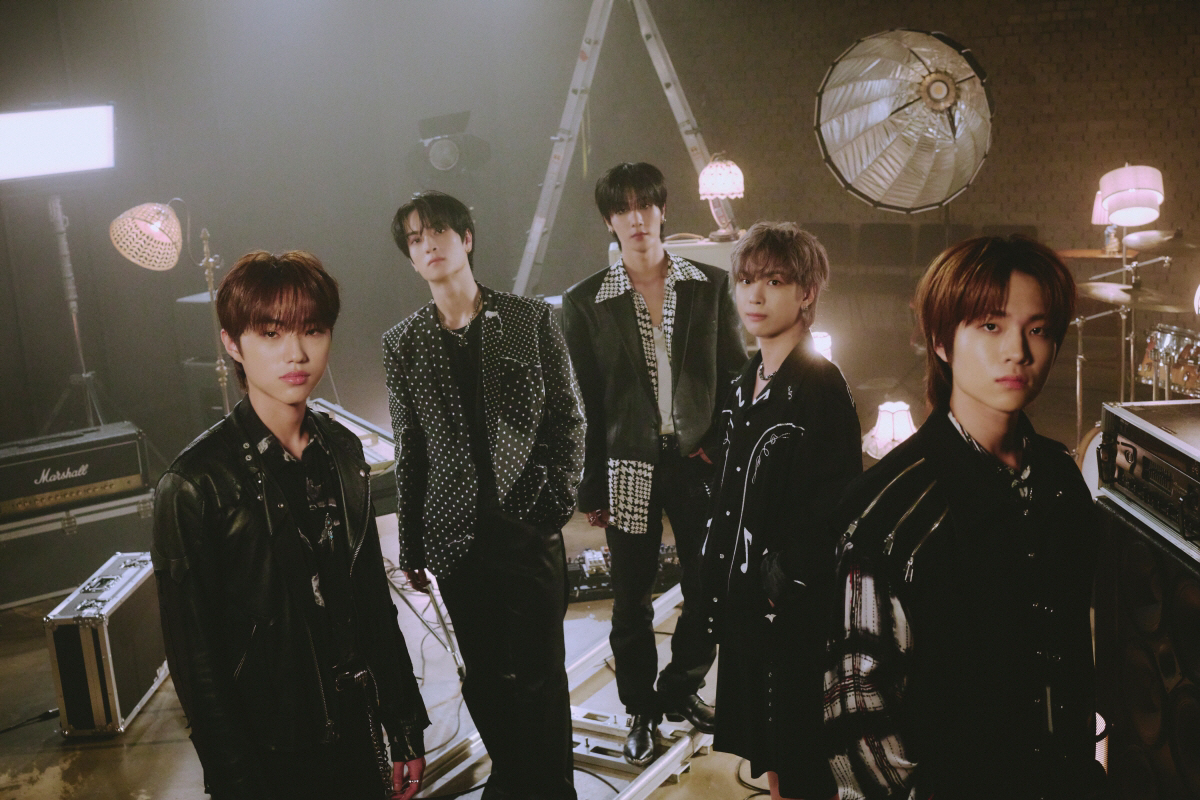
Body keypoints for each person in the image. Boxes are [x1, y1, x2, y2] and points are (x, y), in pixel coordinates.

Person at [824, 236, 1101, 799]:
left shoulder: (1060, 479)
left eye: (1038, 329)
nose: (1017, 351)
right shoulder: (885, 511)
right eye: (991, 326)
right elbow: (859, 719)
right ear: (941, 342)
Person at [153, 250, 428, 800]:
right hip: (270, 751)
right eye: (271, 334)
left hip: (355, 729)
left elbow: (372, 600)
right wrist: (235, 779)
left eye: (313, 330)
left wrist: (402, 722)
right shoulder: (194, 483)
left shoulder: (343, 450)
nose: (296, 353)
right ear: (233, 344)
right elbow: (196, 662)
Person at [382, 190, 586, 800]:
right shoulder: (403, 343)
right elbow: (410, 449)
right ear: (410, 258)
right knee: (485, 674)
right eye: (415, 240)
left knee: (541, 674)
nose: (429, 245)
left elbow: (568, 418)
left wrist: (554, 500)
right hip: (454, 535)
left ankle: (553, 789)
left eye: (438, 232)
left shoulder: (528, 318)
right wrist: (412, 544)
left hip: (527, 526)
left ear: (466, 238)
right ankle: (513, 775)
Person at [562, 162, 747, 766]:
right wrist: (591, 484)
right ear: (609, 221)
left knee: (709, 585)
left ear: (663, 209)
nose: (636, 218)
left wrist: (719, 445)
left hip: (696, 460)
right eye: (623, 209)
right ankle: (639, 707)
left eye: (646, 204)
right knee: (631, 598)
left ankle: (682, 685)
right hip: (626, 464)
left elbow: (736, 376)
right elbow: (585, 401)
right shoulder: (585, 301)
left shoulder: (707, 285)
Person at [700, 222, 860, 800]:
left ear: (806, 292)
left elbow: (836, 505)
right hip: (747, 603)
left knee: (801, 756)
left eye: (773, 281)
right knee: (770, 751)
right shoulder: (745, 383)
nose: (755, 295)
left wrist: (778, 584)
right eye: (746, 280)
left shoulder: (820, 385)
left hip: (792, 611)